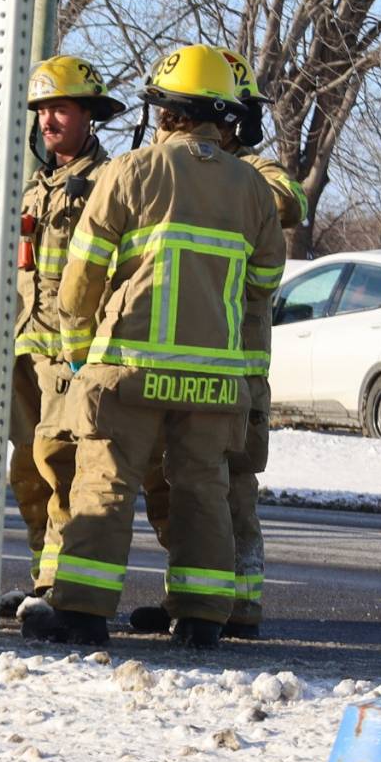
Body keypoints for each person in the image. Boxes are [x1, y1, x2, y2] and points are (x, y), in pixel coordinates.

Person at [24, 44, 286, 650]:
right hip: (215, 381)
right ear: (219, 112)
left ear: (163, 111)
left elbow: (81, 279)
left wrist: (80, 350)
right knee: (203, 491)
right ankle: (201, 616)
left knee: (105, 484)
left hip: (130, 370)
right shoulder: (251, 186)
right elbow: (265, 279)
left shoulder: (129, 172)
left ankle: (84, 611)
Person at [126, 47, 304, 638]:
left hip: (239, 368)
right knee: (173, 486)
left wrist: (223, 175)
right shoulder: (177, 171)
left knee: (229, 488)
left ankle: (240, 606)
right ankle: (194, 596)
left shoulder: (255, 174)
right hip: (182, 360)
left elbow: (290, 202)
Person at [9, 56, 125, 618]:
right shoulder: (36, 184)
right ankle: (41, 575)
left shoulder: (109, 183)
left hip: (71, 353)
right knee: (27, 468)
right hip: (27, 347)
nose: (48, 120)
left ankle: (57, 585)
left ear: (89, 116)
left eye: (60, 108)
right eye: (42, 110)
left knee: (65, 466)